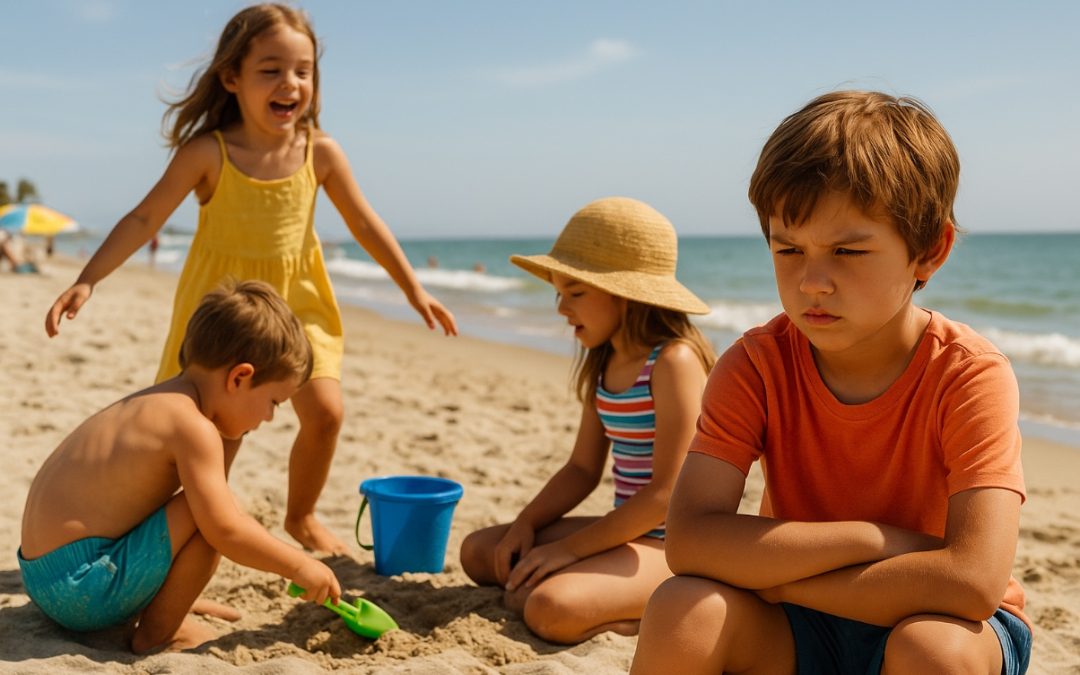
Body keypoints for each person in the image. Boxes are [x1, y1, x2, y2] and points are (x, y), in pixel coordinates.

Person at [630, 91, 1031, 674]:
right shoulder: (756, 365)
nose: (812, 281)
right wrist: (874, 539)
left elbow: (970, 582)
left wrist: (779, 582)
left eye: (847, 250)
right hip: (802, 629)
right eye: (788, 248)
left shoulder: (969, 374)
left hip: (934, 619)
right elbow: (690, 542)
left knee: (931, 651)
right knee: (683, 606)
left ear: (929, 250)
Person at [43, 4, 457, 555]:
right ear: (231, 78)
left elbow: (363, 221)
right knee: (212, 443)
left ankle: (301, 516)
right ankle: (175, 553)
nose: (290, 84)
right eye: (271, 70)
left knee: (327, 412)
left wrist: (414, 288)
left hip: (299, 306)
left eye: (303, 71)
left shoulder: (321, 152)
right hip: (227, 315)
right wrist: (88, 279)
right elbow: (145, 218)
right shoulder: (208, 153)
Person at [20, 280, 341, 653]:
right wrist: (299, 565)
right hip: (81, 591)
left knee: (203, 501)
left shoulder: (161, 401)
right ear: (239, 377)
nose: (269, 418)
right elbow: (224, 530)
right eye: (274, 402)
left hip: (45, 576)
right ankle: (159, 633)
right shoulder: (193, 428)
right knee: (212, 513)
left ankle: (157, 603)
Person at [460, 197, 717, 643]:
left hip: (675, 546)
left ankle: (645, 617)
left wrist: (567, 550)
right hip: (627, 530)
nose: (562, 308)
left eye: (575, 293)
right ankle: (599, 591)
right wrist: (526, 523)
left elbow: (666, 494)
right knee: (481, 552)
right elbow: (582, 469)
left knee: (547, 607)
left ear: (627, 296)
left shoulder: (674, 361)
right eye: (558, 292)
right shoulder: (604, 360)